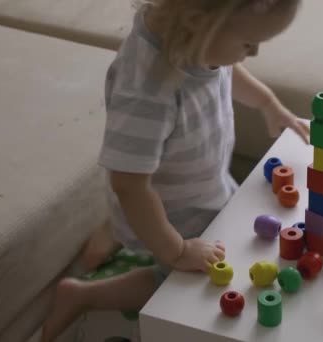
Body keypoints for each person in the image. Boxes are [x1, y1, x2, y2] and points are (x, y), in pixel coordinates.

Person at [40, 1, 308, 341]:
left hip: (199, 180)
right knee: (187, 284)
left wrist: (268, 103)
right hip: (172, 208)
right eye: (247, 43)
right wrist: (178, 252)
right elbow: (129, 184)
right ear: (198, 21)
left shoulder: (194, 42)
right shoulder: (148, 93)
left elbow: (227, 69)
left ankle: (116, 232)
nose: (252, 53)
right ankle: (83, 294)